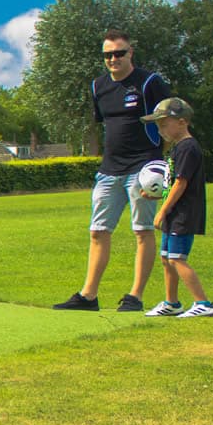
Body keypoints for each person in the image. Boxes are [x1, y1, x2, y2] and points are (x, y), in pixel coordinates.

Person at [53, 30, 171, 312]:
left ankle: (135, 297)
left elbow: (169, 122)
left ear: (131, 53)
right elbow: (101, 126)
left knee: (142, 231)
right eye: (108, 55)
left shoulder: (149, 82)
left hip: (142, 167)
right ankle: (88, 296)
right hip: (109, 169)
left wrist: (159, 165)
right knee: (98, 231)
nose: (113, 59)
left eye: (119, 53)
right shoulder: (98, 87)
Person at [140, 97, 213, 318]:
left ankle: (204, 303)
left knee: (176, 258)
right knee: (166, 258)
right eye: (158, 126)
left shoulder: (188, 147)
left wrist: (162, 210)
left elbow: (182, 183)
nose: (161, 130)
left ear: (182, 122)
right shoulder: (177, 148)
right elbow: (173, 184)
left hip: (184, 214)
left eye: (164, 124)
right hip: (174, 212)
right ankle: (172, 303)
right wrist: (155, 197)